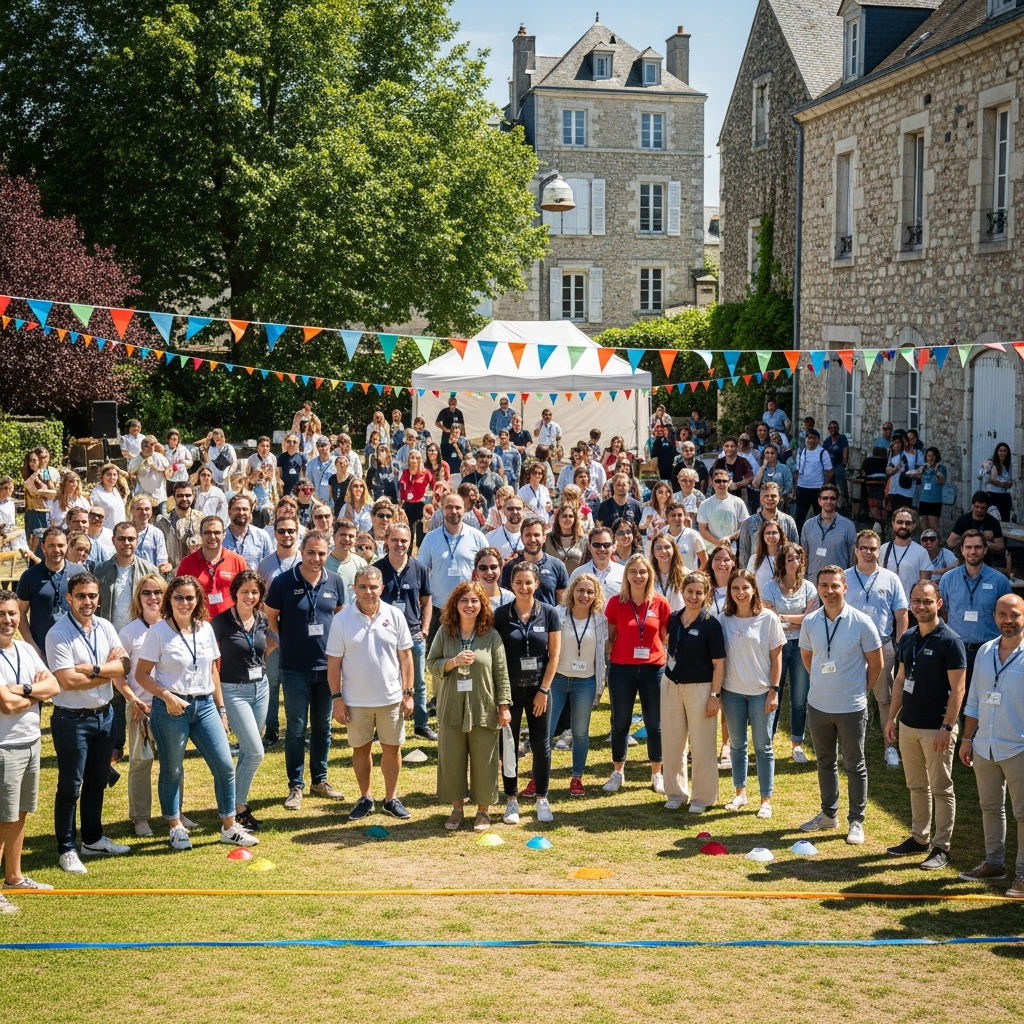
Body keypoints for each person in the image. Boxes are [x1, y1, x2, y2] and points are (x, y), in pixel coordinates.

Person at [134, 575, 257, 851]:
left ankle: (229, 826)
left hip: (205, 707)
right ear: (169, 599)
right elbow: (141, 675)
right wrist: (166, 696)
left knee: (224, 766)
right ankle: (175, 827)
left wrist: (221, 709)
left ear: (198, 600)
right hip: (171, 708)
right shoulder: (158, 632)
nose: (184, 602)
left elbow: (213, 671)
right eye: (178, 597)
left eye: (190, 597)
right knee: (172, 769)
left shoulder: (205, 629)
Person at [45, 573, 133, 872]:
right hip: (72, 719)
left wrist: (94, 669)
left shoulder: (105, 627)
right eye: (81, 596)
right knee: (70, 786)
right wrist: (108, 670)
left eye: (92, 596)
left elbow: (125, 665)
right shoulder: (58, 633)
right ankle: (67, 848)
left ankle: (92, 840)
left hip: (105, 716)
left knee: (97, 782)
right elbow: (68, 681)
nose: (88, 601)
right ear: (69, 598)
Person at [884, 580, 966, 871]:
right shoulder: (907, 637)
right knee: (916, 785)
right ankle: (920, 838)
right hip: (909, 725)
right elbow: (899, 680)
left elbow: (958, 690)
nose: (921, 606)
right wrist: (892, 718)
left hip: (936, 728)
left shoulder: (950, 641)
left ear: (939, 604)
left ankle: (941, 847)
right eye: (916, 601)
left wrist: (947, 727)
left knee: (941, 788)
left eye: (927, 601)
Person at [799, 565, 884, 845]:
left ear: (845, 588)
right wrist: (823, 684)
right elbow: (808, 658)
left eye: (835, 585)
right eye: (824, 585)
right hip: (818, 705)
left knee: (854, 764)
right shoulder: (811, 621)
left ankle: (856, 820)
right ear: (818, 589)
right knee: (825, 762)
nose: (830, 591)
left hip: (851, 707)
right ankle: (828, 814)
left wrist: (860, 691)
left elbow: (876, 664)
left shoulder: (862, 622)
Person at [264, 531, 345, 810]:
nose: (316, 558)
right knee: (297, 728)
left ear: (327, 553)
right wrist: (282, 641)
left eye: (321, 553)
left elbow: (340, 616)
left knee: (323, 727)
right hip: (295, 667)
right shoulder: (283, 582)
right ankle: (295, 785)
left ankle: (319, 780)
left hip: (327, 667)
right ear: (301, 551)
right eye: (311, 552)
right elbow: (270, 616)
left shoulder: (335, 581)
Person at [326, 565, 414, 820]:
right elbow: (334, 663)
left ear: (382, 588)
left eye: (373, 587)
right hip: (355, 700)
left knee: (392, 749)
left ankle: (391, 798)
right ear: (353, 588)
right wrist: (337, 699)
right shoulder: (341, 619)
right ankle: (366, 798)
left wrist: (408, 693)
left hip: (391, 698)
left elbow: (406, 657)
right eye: (362, 587)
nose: (368, 592)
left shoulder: (394, 615)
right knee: (360, 750)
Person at [427, 582, 511, 831]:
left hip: (483, 706)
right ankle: (457, 809)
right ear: (455, 604)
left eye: (474, 601)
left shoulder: (491, 636)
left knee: (485, 760)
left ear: (482, 605)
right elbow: (431, 664)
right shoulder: (445, 633)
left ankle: (483, 811)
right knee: (452, 759)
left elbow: (501, 673)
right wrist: (452, 662)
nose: (469, 605)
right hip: (452, 706)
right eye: (464, 600)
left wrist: (504, 706)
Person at [957, 593, 1024, 896]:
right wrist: (967, 738)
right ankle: (994, 864)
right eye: (1002, 614)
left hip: (1018, 747)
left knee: (1023, 813)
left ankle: (1022, 875)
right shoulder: (985, 651)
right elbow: (974, 699)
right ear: (994, 616)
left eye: (1015, 615)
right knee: (989, 807)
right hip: (985, 744)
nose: (1008, 621)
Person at [0, 590, 60, 905]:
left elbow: (54, 685)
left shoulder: (25, 649)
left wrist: (25, 690)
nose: (8, 620)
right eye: (1, 614)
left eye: (12, 613)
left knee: (20, 813)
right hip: (4, 748)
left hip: (31, 742)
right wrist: (36, 693)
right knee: (2, 818)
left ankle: (14, 878)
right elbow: (7, 706)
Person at [117, 574, 184, 838]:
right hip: (140, 707)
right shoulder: (129, 632)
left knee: (174, 762)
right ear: (138, 598)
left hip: (171, 706)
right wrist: (131, 699)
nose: (153, 597)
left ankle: (176, 813)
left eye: (158, 592)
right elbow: (118, 675)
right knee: (141, 762)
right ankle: (140, 817)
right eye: (146, 592)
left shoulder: (175, 627)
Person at [493, 562, 560, 822]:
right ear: (511, 584)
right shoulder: (501, 615)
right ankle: (511, 799)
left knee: (541, 744)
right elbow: (496, 657)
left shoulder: (550, 613)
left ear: (537, 584)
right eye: (518, 582)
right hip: (509, 691)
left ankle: (542, 798)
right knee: (508, 744)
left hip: (539, 690)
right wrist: (501, 699)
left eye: (528, 582)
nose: (524, 587)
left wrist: (543, 690)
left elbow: (554, 656)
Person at [211, 570, 275, 832]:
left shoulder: (261, 618)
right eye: (245, 591)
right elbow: (211, 663)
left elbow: (267, 644)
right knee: (256, 751)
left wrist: (261, 663)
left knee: (249, 751)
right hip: (233, 691)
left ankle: (233, 806)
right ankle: (238, 809)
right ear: (235, 592)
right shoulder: (221, 621)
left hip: (260, 688)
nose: (250, 596)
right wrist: (219, 705)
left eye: (255, 592)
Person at [719, 569, 785, 818]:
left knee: (763, 746)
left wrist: (774, 691)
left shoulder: (768, 618)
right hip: (732, 693)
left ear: (754, 589)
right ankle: (740, 793)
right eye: (735, 588)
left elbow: (776, 658)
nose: (740, 593)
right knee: (737, 745)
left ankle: (765, 799)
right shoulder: (723, 620)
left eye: (745, 587)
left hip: (761, 693)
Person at [603, 554, 670, 794]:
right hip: (622, 668)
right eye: (633, 571)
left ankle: (656, 773)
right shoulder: (615, 603)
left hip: (653, 669)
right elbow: (611, 636)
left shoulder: (660, 602)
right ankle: (618, 772)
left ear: (649, 575)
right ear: (627, 575)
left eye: (642, 572)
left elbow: (663, 636)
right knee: (620, 722)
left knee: (655, 723)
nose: (638, 576)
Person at [661, 570, 724, 812]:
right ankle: (676, 793)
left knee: (702, 744)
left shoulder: (711, 625)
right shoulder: (674, 618)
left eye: (699, 592)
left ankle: (702, 797)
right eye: (689, 591)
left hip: (701, 688)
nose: (693, 597)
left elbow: (719, 664)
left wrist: (714, 696)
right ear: (682, 592)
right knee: (672, 742)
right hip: (671, 685)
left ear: (706, 594)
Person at [845, 528, 908, 766]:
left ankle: (889, 748)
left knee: (886, 700)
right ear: (856, 550)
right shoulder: (844, 577)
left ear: (879, 551)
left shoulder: (891, 578)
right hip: (851, 648)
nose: (868, 552)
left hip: (883, 646)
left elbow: (901, 614)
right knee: (849, 699)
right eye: (864, 548)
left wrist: (900, 646)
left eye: (873, 548)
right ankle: (849, 748)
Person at [375, 522, 434, 742]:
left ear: (410, 543)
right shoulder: (377, 569)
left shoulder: (419, 568)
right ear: (387, 541)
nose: (399, 544)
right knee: (384, 681)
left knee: (418, 682)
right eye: (394, 540)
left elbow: (427, 600)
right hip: (384, 635)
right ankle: (382, 727)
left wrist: (425, 628)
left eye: (404, 541)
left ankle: (421, 724)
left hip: (413, 634)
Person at [550, 573, 607, 797]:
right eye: (580, 590)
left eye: (590, 592)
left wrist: (601, 685)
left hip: (585, 682)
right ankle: (538, 777)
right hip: (557, 679)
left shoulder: (600, 620)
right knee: (546, 731)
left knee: (580, 732)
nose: (585, 595)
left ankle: (577, 777)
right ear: (572, 591)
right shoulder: (557, 614)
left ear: (596, 595)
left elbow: (602, 654)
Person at [762, 543, 819, 758]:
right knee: (773, 692)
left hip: (802, 646)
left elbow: (810, 619)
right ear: (782, 563)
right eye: (790, 558)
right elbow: (770, 620)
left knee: (799, 697)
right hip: (777, 645)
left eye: (798, 558)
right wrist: (797, 620)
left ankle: (797, 743)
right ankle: (767, 740)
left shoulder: (809, 587)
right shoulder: (769, 588)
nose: (795, 562)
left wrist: (784, 617)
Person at [940, 530, 1010, 688]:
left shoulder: (1000, 581)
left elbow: (1007, 618)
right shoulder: (948, 579)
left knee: (987, 694)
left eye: (978, 547)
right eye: (968, 547)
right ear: (962, 550)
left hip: (989, 650)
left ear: (985, 550)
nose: (973, 551)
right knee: (955, 694)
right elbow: (943, 613)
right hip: (955, 649)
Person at [418, 493, 487, 651]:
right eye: (449, 507)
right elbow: (421, 571)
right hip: (438, 608)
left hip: (469, 608)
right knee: (437, 655)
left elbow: (487, 569)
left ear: (465, 509)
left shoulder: (477, 537)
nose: (453, 511)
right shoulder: (431, 538)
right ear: (442, 509)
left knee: (469, 654)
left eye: (458, 507)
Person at [16, 527, 86, 660]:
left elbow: (88, 609)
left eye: (60, 545)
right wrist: (33, 647)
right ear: (43, 547)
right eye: (51, 545)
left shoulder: (79, 573)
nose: (56, 550)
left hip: (75, 648)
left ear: (67, 546)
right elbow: (21, 613)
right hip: (43, 650)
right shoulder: (30, 576)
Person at [176, 515, 248, 616]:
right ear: (201, 534)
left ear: (224, 535)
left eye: (217, 532)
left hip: (230, 622)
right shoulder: (187, 563)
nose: (212, 537)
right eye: (207, 532)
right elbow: (178, 595)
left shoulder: (238, 561)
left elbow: (247, 593)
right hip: (198, 622)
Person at [499, 517, 568, 607]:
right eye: (528, 535)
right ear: (522, 537)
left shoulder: (557, 566)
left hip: (548, 616)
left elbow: (562, 603)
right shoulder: (510, 567)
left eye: (536, 535)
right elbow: (505, 599)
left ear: (544, 537)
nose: (532, 539)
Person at [799, 483, 856, 582]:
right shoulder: (808, 525)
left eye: (832, 498)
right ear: (819, 501)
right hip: (813, 582)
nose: (828, 501)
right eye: (825, 498)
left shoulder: (848, 526)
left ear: (837, 500)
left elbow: (853, 558)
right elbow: (804, 556)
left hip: (838, 583)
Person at [738, 480, 798, 569]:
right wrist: (747, 574)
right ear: (760, 498)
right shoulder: (748, 523)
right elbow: (744, 553)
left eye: (773, 496)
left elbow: (795, 549)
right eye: (766, 496)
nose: (769, 499)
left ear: (779, 498)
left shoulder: (788, 521)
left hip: (782, 570)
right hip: (756, 570)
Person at [880, 508, 931, 603]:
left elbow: (924, 586)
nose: (903, 526)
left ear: (914, 525)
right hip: (885, 604)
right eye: (899, 522)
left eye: (908, 523)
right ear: (893, 523)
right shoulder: (883, 549)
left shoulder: (921, 552)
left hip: (909, 606)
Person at [697, 469, 749, 554]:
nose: (721, 484)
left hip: (732, 550)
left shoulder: (738, 502)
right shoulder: (705, 504)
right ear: (712, 482)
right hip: (710, 551)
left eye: (725, 481)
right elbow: (703, 529)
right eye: (718, 481)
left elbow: (744, 527)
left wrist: (729, 538)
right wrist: (719, 544)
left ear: (729, 483)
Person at [947, 491, 1006, 566]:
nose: (979, 510)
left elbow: (1000, 547)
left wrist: (985, 543)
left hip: (984, 562)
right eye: (976, 507)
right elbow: (950, 542)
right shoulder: (963, 520)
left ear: (987, 507)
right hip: (964, 561)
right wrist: (968, 542)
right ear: (972, 505)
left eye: (983, 508)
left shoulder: (993, 522)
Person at [569, 526, 625, 601]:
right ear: (589, 547)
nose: (602, 549)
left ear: (613, 547)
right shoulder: (578, 573)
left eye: (606, 545)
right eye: (596, 545)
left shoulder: (624, 573)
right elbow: (568, 601)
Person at [156, 481, 205, 565]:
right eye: (180, 496)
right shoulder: (163, 521)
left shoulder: (201, 518)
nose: (184, 499)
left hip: (195, 566)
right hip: (171, 569)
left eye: (188, 495)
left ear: (193, 496)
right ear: (174, 498)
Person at [793, 429, 834, 529]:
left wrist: (825, 486)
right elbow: (798, 471)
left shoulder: (823, 452)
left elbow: (829, 471)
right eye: (808, 438)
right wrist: (795, 489)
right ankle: (799, 537)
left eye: (813, 438)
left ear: (817, 440)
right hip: (802, 488)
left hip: (817, 489)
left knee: (819, 517)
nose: (810, 440)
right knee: (799, 517)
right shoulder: (802, 451)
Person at [222, 493, 273, 570]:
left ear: (250, 512)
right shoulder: (221, 539)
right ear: (229, 512)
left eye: (245, 509)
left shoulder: (262, 537)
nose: (241, 513)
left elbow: (270, 567)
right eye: (237, 509)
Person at [325, 518, 366, 606]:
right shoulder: (323, 562)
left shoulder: (361, 564)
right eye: (342, 535)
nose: (347, 539)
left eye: (351, 536)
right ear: (334, 536)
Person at [21, 449, 56, 552]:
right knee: (36, 547)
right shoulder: (30, 477)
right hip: (34, 513)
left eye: (45, 457)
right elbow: (37, 491)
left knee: (48, 542)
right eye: (31, 460)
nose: (44, 461)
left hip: (47, 512)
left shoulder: (46, 473)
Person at [399, 449, 433, 547]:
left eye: (417, 458)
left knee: (421, 532)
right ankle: (407, 552)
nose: (414, 460)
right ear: (408, 459)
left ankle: (421, 552)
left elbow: (433, 487)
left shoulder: (426, 473)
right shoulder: (405, 473)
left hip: (420, 505)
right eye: (412, 458)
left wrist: (428, 497)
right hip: (408, 505)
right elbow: (402, 489)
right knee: (407, 531)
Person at [711, 437, 755, 506]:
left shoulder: (743, 461)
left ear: (736, 448)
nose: (729, 449)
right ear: (723, 448)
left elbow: (749, 478)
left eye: (732, 446)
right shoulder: (719, 462)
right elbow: (711, 478)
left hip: (739, 495)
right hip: (721, 495)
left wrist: (737, 485)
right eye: (727, 446)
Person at [128, 436, 172, 504]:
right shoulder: (137, 459)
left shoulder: (160, 457)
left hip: (160, 496)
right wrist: (143, 457)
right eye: (146, 446)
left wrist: (167, 472)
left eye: (153, 445)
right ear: (143, 447)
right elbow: (130, 471)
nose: (151, 447)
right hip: (144, 497)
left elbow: (169, 471)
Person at [545, 503, 587, 574]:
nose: (567, 519)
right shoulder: (547, 539)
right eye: (564, 516)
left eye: (571, 516)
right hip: (554, 579)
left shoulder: (584, 539)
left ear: (575, 519)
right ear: (558, 518)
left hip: (577, 579)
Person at [751, 444, 795, 511]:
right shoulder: (761, 469)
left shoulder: (784, 468)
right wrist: (763, 466)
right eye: (767, 453)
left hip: (781, 504)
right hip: (764, 504)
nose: (769, 455)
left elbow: (789, 487)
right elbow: (755, 485)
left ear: (776, 454)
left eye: (772, 453)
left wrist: (778, 497)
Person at [650, 533, 686, 612]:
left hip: (679, 618)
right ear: (653, 551)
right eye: (659, 548)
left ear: (674, 549)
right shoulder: (648, 576)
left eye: (667, 547)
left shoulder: (686, 574)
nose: (663, 551)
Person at [981, 442, 1014, 522]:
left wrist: (1005, 484)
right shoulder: (990, 463)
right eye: (1000, 450)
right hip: (992, 495)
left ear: (1007, 453)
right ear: (997, 452)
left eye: (1004, 451)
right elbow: (981, 476)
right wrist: (984, 468)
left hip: (1004, 496)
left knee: (1004, 520)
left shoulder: (1008, 465)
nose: (1002, 453)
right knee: (992, 520)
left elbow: (1010, 482)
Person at [917, 448, 948, 534]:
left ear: (936, 457)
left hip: (934, 500)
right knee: (924, 526)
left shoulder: (941, 468)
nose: (930, 458)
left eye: (933, 456)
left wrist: (936, 470)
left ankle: (939, 541)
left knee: (933, 526)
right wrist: (921, 468)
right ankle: (925, 541)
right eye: (929, 456)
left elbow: (941, 481)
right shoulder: (925, 468)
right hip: (924, 499)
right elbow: (915, 475)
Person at [89, 464, 127, 529]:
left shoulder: (115, 491)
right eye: (108, 474)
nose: (112, 477)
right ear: (102, 476)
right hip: (107, 530)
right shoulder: (97, 493)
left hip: (120, 530)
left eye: (115, 475)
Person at [823, 421, 850, 505]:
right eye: (830, 428)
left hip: (838, 466)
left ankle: (844, 505)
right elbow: (824, 455)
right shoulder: (827, 441)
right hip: (829, 468)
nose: (832, 429)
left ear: (838, 428)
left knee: (842, 488)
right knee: (830, 488)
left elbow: (845, 451)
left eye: (834, 427)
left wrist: (843, 464)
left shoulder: (842, 439)